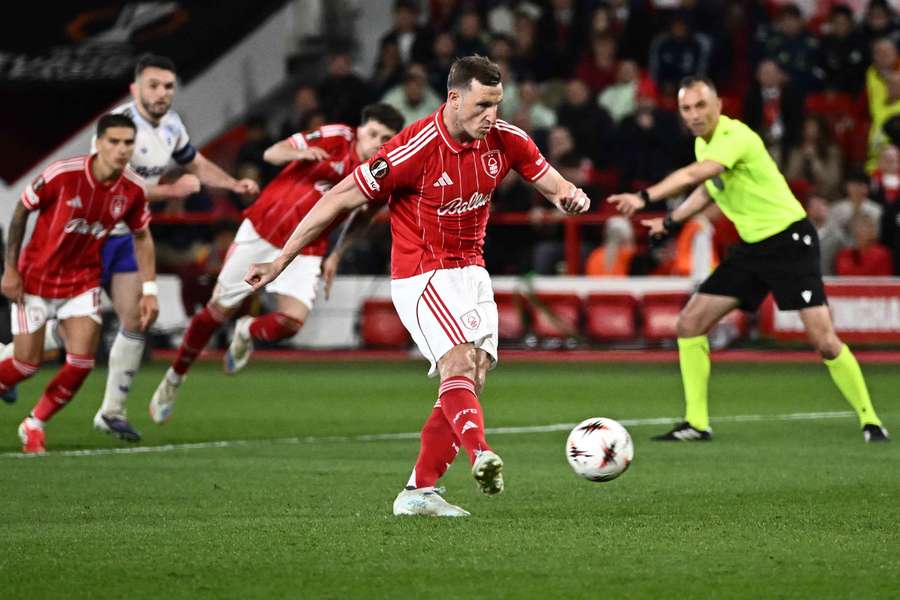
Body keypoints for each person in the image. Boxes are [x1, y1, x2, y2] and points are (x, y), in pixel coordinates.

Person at [244, 56, 591, 517]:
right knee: (458, 363)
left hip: (471, 271)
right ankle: (480, 454)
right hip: (422, 273)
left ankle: (418, 491)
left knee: (475, 373)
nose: (492, 114)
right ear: (454, 98)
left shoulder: (505, 139)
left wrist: (569, 194)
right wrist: (280, 260)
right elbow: (339, 197)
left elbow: (548, 178)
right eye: (483, 104)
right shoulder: (415, 149)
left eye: (497, 104)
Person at [608, 76, 889, 443]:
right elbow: (707, 189)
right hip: (753, 248)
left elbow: (698, 175)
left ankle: (870, 420)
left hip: (790, 241)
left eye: (700, 106)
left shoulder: (735, 137)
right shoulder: (702, 145)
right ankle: (696, 423)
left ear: (718, 106)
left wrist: (645, 197)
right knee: (690, 323)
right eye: (686, 109)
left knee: (823, 340)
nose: (694, 115)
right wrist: (670, 220)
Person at [148, 103, 405, 424]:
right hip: (262, 229)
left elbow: (363, 218)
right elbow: (272, 153)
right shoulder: (335, 137)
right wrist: (298, 154)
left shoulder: (382, 173)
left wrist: (336, 255)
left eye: (385, 138)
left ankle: (247, 330)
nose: (375, 142)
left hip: (306, 248)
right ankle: (173, 379)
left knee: (293, 320)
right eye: (372, 133)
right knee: (217, 310)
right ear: (360, 128)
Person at [89, 54, 258, 441]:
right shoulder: (117, 128)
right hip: (91, 233)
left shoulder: (171, 125)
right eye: (153, 85)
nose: (162, 93)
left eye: (168, 86)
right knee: (64, 328)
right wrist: (170, 191)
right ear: (135, 89)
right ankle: (11, 362)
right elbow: (112, 187)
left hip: (128, 237)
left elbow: (194, 163)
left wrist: (232, 185)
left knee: (135, 319)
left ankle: (111, 411)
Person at [2, 114, 158, 454]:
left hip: (82, 282)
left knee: (81, 362)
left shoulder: (131, 191)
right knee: (25, 365)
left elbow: (142, 236)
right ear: (99, 143)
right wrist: (10, 269)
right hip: (36, 281)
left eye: (128, 143)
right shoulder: (64, 174)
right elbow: (20, 211)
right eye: (114, 142)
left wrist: (149, 288)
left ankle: (34, 424)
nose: (121, 149)